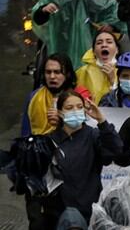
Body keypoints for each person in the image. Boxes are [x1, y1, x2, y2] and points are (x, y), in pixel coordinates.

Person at [29, 90, 123, 228]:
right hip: (58, 214)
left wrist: (101, 121)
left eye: (79, 107)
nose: (75, 111)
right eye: (69, 108)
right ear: (60, 112)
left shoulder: (93, 136)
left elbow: (116, 149)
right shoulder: (49, 141)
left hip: (89, 209)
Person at [31, 0, 124, 69]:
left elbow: (117, 18)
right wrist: (44, 10)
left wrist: (109, 26)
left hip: (93, 48)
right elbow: (38, 19)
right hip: (63, 46)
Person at [22, 54, 89, 137]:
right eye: (48, 72)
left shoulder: (80, 95)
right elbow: (26, 131)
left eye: (57, 72)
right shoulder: (34, 97)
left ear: (67, 74)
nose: (52, 76)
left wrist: (62, 122)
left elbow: (86, 131)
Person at [75, 30, 121, 104]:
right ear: (93, 52)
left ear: (117, 49)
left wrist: (113, 81)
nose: (104, 45)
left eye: (109, 42)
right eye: (99, 43)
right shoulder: (82, 72)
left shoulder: (123, 70)